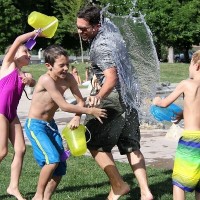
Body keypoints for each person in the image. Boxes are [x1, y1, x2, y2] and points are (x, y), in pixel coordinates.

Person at [77, 6, 153, 200]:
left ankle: (119, 185)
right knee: (131, 146)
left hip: (112, 98)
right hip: (130, 96)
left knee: (92, 141)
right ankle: (146, 193)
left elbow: (111, 78)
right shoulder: (111, 31)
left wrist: (99, 96)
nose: (79, 32)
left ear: (96, 26)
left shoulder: (101, 46)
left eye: (84, 28)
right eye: (78, 27)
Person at [24, 44, 107, 200]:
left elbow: (79, 101)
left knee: (60, 166)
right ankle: (38, 195)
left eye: (67, 64)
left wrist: (77, 116)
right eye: (61, 65)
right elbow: (63, 105)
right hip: (36, 125)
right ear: (49, 66)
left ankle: (45, 198)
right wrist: (90, 111)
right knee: (52, 160)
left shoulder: (69, 78)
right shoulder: (46, 79)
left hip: (51, 125)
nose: (65, 68)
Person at [153, 50, 200, 200]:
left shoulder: (186, 84)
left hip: (190, 140)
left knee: (179, 182)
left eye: (190, 64)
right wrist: (182, 114)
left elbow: (165, 103)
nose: (189, 68)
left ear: (197, 65)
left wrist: (157, 101)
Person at [0, 31, 38, 200]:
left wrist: (31, 81)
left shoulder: (24, 75)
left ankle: (13, 187)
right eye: (26, 52)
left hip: (11, 114)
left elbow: (35, 83)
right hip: (0, 112)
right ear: (14, 55)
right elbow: (17, 40)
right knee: (2, 152)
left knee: (21, 149)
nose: (29, 54)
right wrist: (35, 33)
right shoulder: (7, 66)